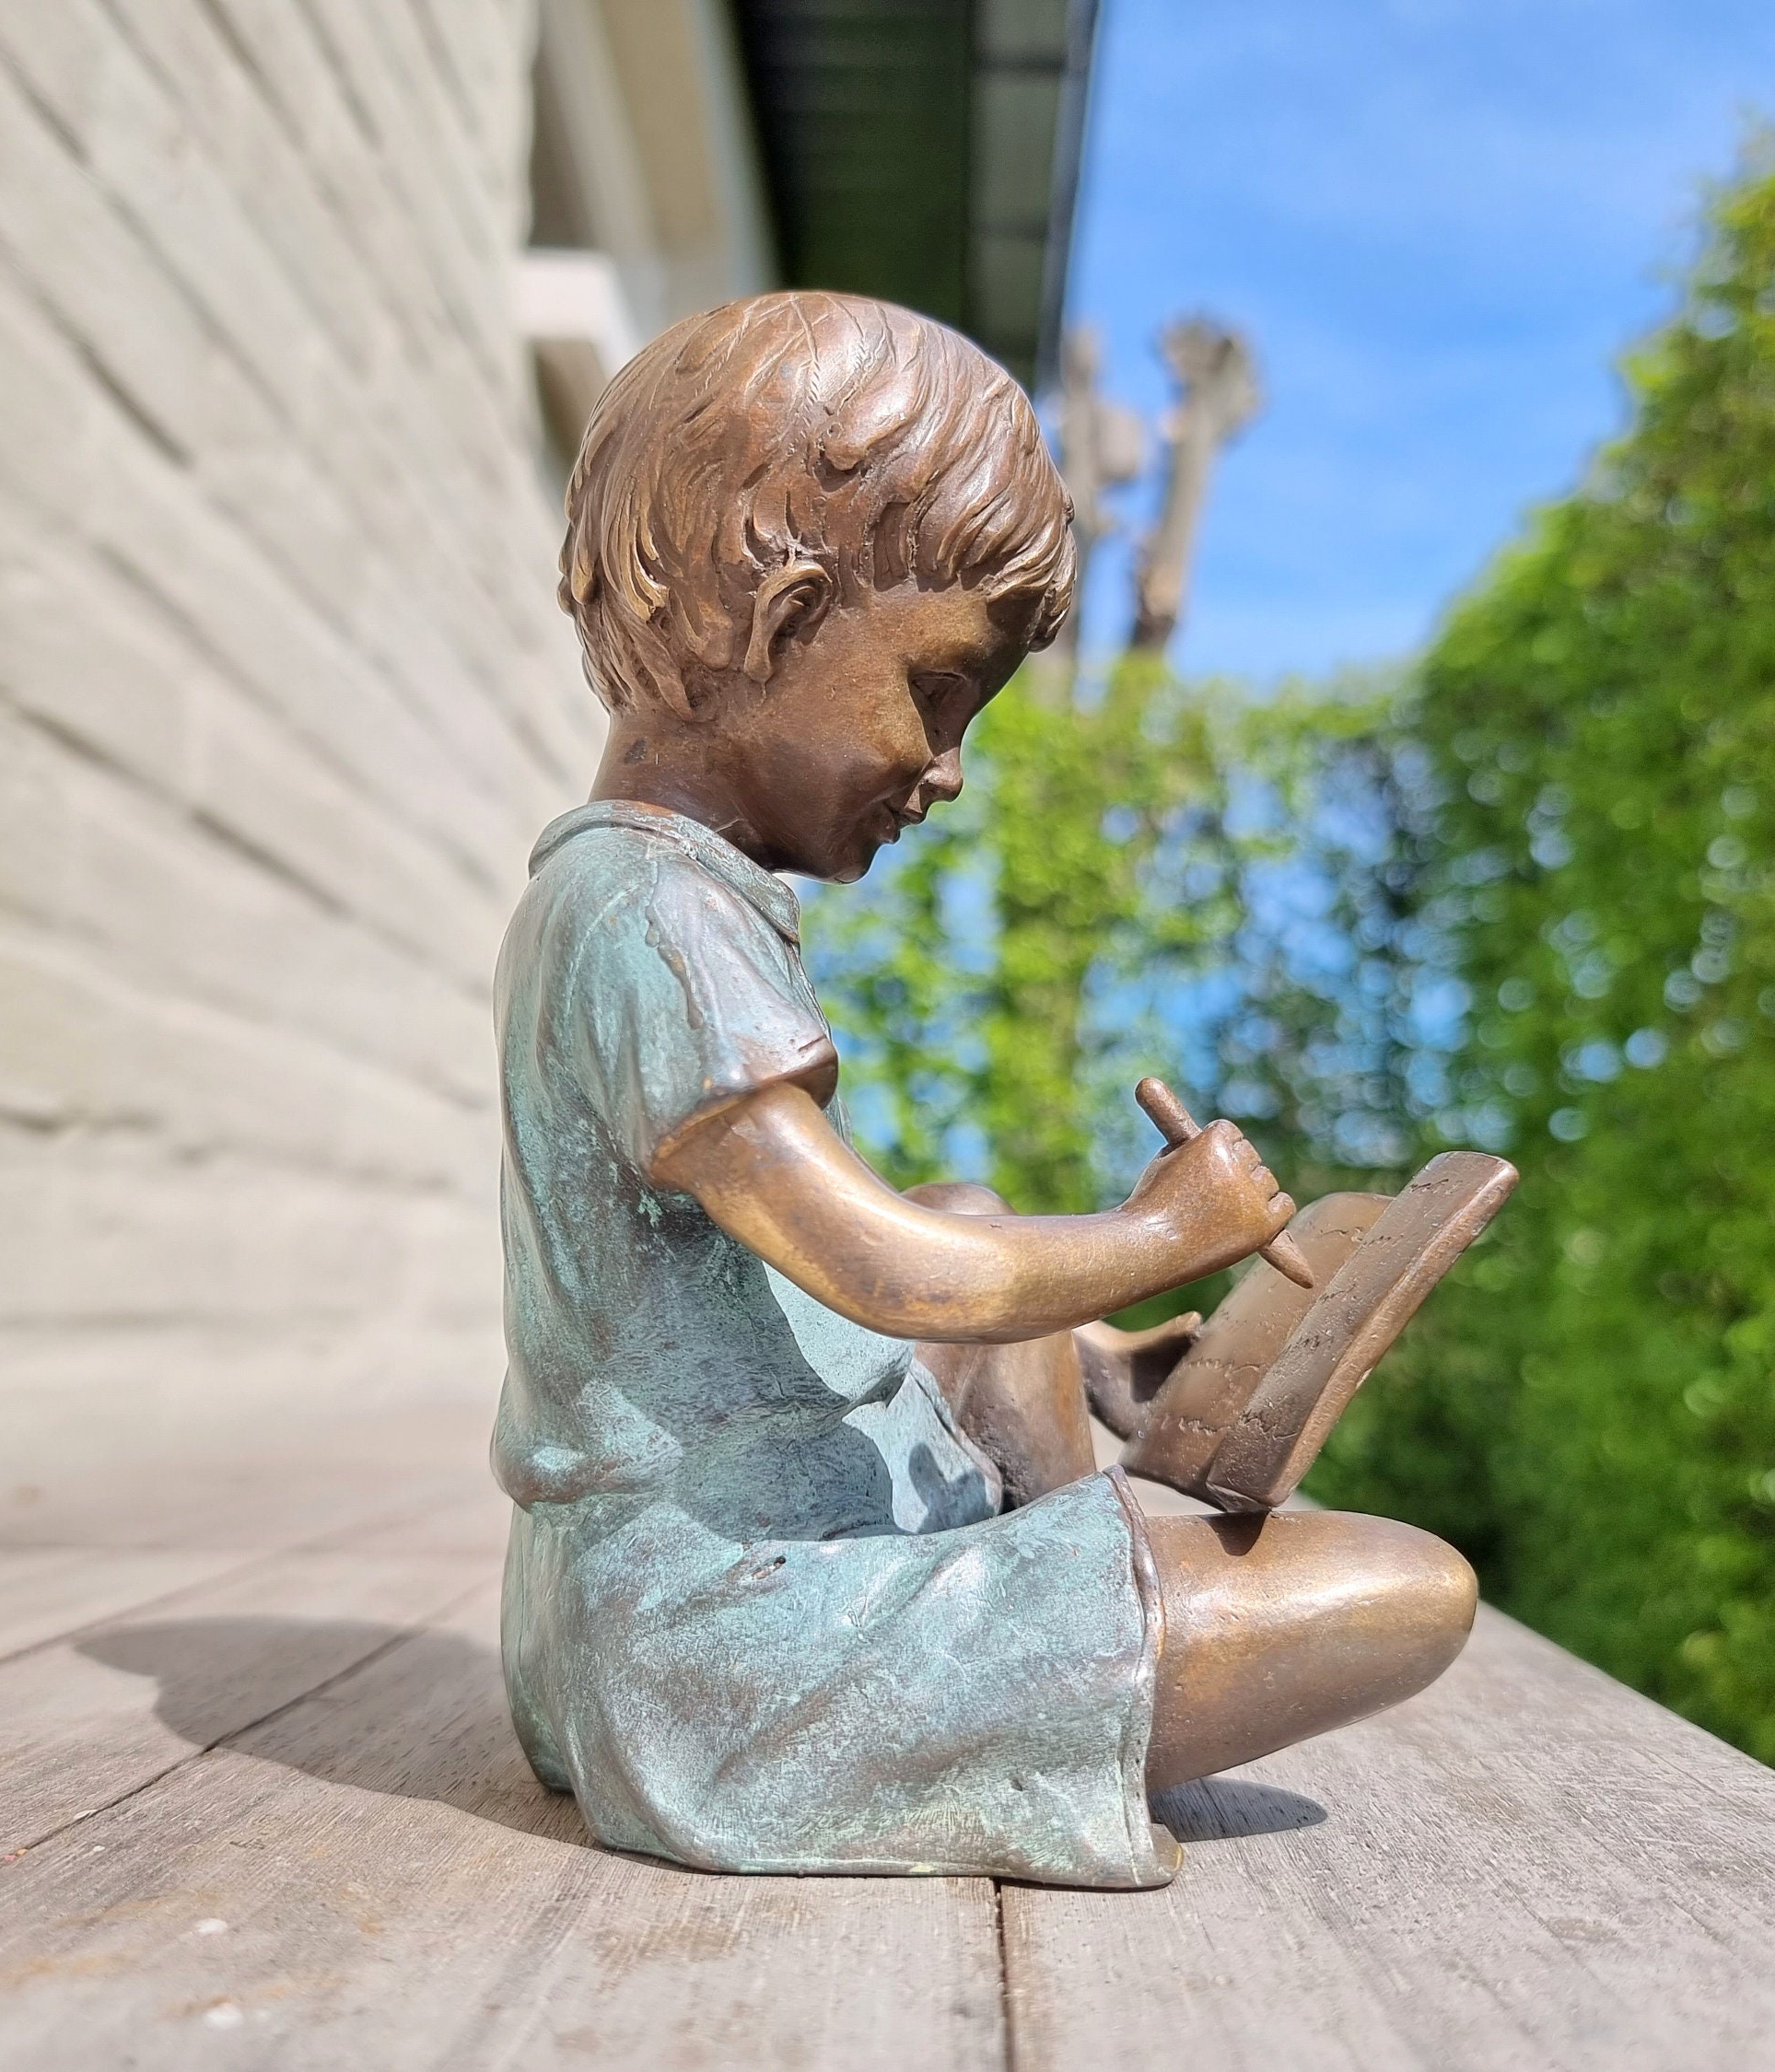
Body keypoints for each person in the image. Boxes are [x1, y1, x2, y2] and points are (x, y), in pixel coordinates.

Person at [492, 290, 1494, 1888]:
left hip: (648, 1594)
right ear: (781, 618)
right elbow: (895, 1270)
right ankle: (1058, 1587)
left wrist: (1092, 1330)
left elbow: (884, 1260)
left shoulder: (669, 888)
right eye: (938, 694)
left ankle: (1104, 1470)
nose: (948, 768)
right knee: (1410, 1593)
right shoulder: (648, 917)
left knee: (979, 1217)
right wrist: (1164, 1229)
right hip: (716, 1650)